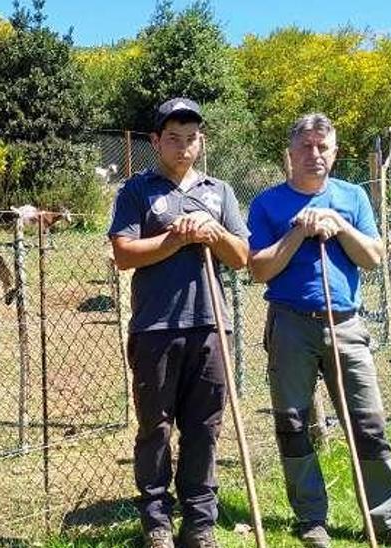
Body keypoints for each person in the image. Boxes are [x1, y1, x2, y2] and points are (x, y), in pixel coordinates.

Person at [246, 113, 391, 548]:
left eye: (322, 147)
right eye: (306, 147)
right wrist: (300, 229)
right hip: (291, 325)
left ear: (335, 152)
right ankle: (312, 519)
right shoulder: (268, 203)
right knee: (293, 424)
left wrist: (339, 224)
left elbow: (373, 257)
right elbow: (258, 269)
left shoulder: (352, 198)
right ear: (290, 153)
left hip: (346, 325)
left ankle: (384, 519)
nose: (314, 154)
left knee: (368, 422)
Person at [107, 97, 251, 548]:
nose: (183, 148)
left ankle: (200, 524)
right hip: (155, 328)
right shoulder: (137, 191)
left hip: (211, 326)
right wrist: (174, 237)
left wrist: (215, 232)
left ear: (200, 141)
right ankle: (156, 522)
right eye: (173, 139)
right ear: (156, 141)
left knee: (204, 429)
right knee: (156, 428)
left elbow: (242, 257)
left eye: (191, 139)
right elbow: (123, 255)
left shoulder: (219, 190)